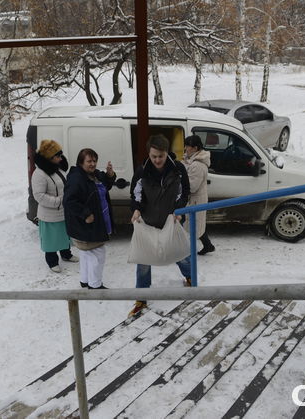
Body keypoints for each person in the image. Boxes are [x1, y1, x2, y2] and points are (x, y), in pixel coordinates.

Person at [129, 134, 191, 316]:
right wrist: (136, 209)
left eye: (160, 156)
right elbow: (135, 194)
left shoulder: (178, 169)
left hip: (171, 220)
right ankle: (141, 296)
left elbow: (184, 192)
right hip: (148, 222)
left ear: (167, 153)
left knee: (180, 254)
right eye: (154, 156)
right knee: (143, 261)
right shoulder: (142, 170)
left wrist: (178, 210)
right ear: (149, 154)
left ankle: (190, 277)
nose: (157, 160)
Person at [63, 148, 116, 289]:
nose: (92, 164)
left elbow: (106, 185)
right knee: (98, 254)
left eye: (94, 160)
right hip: (86, 224)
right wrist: (85, 214)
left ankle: (85, 280)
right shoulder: (77, 178)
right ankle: (95, 285)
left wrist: (110, 175)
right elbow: (69, 201)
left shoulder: (94, 174)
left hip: (96, 221)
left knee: (86, 254)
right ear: (81, 162)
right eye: (89, 161)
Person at [31, 140, 78, 273]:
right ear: (49, 158)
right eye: (57, 156)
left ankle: (66, 254)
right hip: (50, 215)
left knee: (64, 235)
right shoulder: (39, 174)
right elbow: (39, 196)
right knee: (51, 240)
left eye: (60, 155)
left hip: (63, 211)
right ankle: (52, 261)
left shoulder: (57, 168)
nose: (60, 158)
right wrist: (58, 201)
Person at [183, 135, 216, 256]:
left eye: (187, 146)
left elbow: (192, 187)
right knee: (196, 225)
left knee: (194, 226)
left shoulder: (198, 165)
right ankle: (208, 245)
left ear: (195, 148)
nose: (185, 148)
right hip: (195, 199)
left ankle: (189, 251)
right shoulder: (191, 160)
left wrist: (181, 181)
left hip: (196, 200)